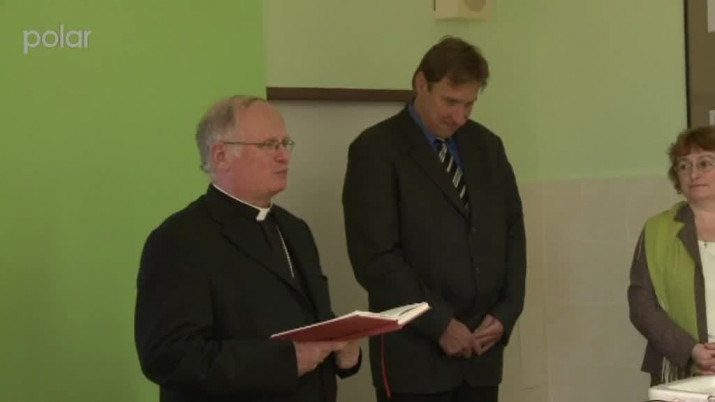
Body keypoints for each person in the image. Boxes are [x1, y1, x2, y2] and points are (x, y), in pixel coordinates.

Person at [134, 95, 360, 402]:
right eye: (269, 145)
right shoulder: (179, 239)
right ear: (221, 156)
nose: (284, 156)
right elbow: (168, 356)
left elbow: (311, 324)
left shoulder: (296, 229)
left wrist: (344, 354)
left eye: (285, 143)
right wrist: (284, 362)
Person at [342, 37, 526, 402]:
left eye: (469, 104)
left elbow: (512, 233)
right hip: (414, 359)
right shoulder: (376, 150)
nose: (459, 116)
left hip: (482, 356)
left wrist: (506, 312)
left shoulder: (487, 146)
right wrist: (438, 323)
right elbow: (375, 259)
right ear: (421, 83)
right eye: (450, 101)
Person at [629, 125, 715, 385]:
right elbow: (641, 305)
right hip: (677, 366)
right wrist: (692, 351)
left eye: (705, 163)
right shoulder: (658, 229)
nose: (694, 174)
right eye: (684, 166)